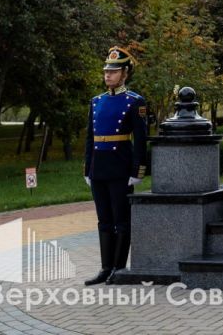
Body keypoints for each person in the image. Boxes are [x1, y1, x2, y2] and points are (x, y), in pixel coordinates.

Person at [83, 46, 148, 285]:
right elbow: (90, 138)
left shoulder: (134, 101)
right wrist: (87, 168)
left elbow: (140, 139)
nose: (108, 75)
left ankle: (119, 268)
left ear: (125, 73)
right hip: (99, 167)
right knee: (104, 220)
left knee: (121, 220)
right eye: (106, 71)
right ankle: (105, 267)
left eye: (114, 71)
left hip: (120, 167)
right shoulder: (96, 102)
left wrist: (138, 170)